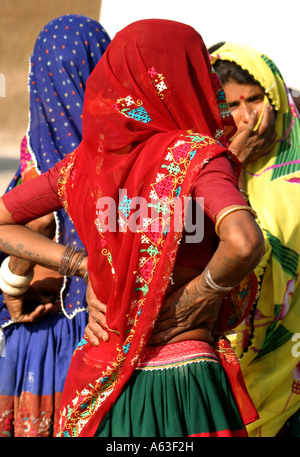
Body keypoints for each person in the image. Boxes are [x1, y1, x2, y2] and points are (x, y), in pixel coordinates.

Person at [0, 20, 264, 437]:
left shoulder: (82, 168)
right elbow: (244, 242)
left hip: (102, 385)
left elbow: (4, 221)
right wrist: (198, 296)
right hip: (183, 388)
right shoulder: (198, 159)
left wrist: (80, 264)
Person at [0, 14, 110, 437]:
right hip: (111, 333)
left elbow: (37, 227)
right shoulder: (136, 151)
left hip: (44, 343)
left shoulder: (37, 157)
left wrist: (14, 284)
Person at [210, 42, 300, 437]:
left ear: (276, 98)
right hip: (226, 364)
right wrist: (229, 164)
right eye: (231, 105)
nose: (247, 118)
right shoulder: (201, 172)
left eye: (256, 100)